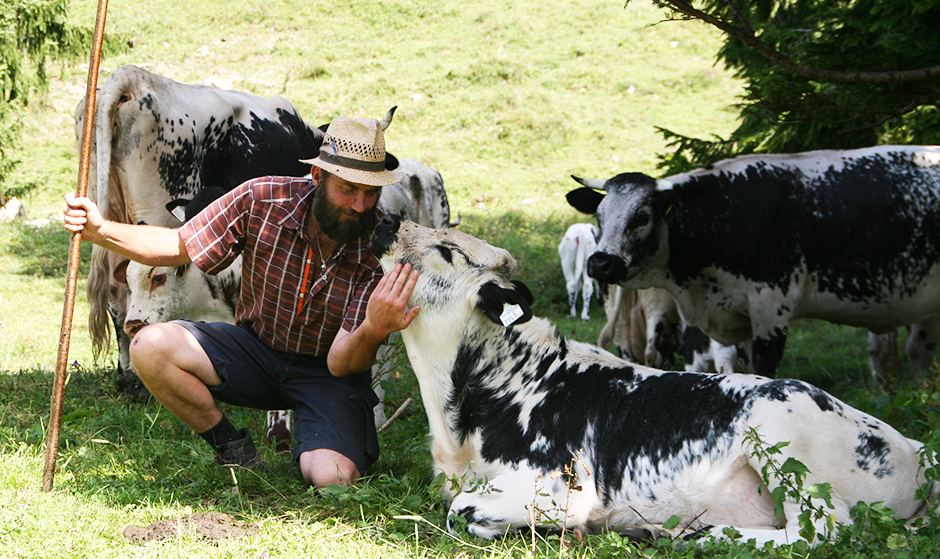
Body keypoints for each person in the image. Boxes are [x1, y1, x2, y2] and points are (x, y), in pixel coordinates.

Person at [63, 115, 421, 487]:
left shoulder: (381, 247)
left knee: (334, 479)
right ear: (317, 178)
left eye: (370, 193)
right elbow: (178, 245)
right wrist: (101, 230)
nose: (360, 205)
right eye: (349, 189)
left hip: (327, 375)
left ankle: (327, 435)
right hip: (255, 351)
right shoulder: (262, 197)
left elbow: (343, 360)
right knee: (149, 345)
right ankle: (233, 448)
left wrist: (374, 328)